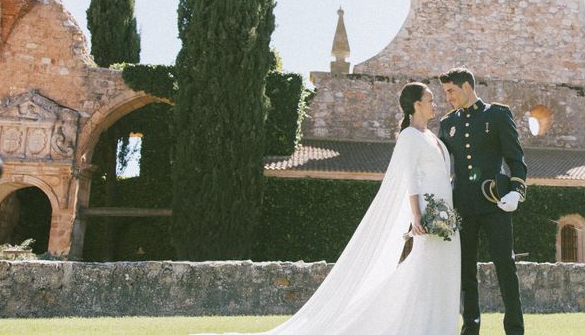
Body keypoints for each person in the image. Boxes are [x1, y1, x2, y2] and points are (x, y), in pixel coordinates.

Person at [199, 82, 460, 335]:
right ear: (416, 104)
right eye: (430, 100)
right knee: (424, 270)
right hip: (428, 215)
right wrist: (416, 214)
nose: (434, 104)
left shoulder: (431, 136)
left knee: (440, 270)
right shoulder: (409, 136)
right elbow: (411, 178)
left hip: (445, 215)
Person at [439, 67, 527, 335]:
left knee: (505, 267)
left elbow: (516, 160)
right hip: (462, 206)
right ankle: (471, 328)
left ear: (467, 86)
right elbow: (440, 166)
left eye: (451, 91)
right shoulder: (447, 124)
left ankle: (514, 329)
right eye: (445, 93)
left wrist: (516, 192)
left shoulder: (498, 115)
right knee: (466, 271)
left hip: (495, 204)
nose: (449, 98)